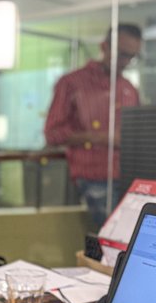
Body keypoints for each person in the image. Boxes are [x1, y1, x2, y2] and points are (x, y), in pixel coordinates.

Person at [44, 23, 142, 229]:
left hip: (129, 176)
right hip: (93, 176)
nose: (125, 62)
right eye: (122, 54)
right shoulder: (72, 83)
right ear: (104, 47)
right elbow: (53, 133)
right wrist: (102, 137)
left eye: (131, 57)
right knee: (115, 236)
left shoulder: (128, 88)